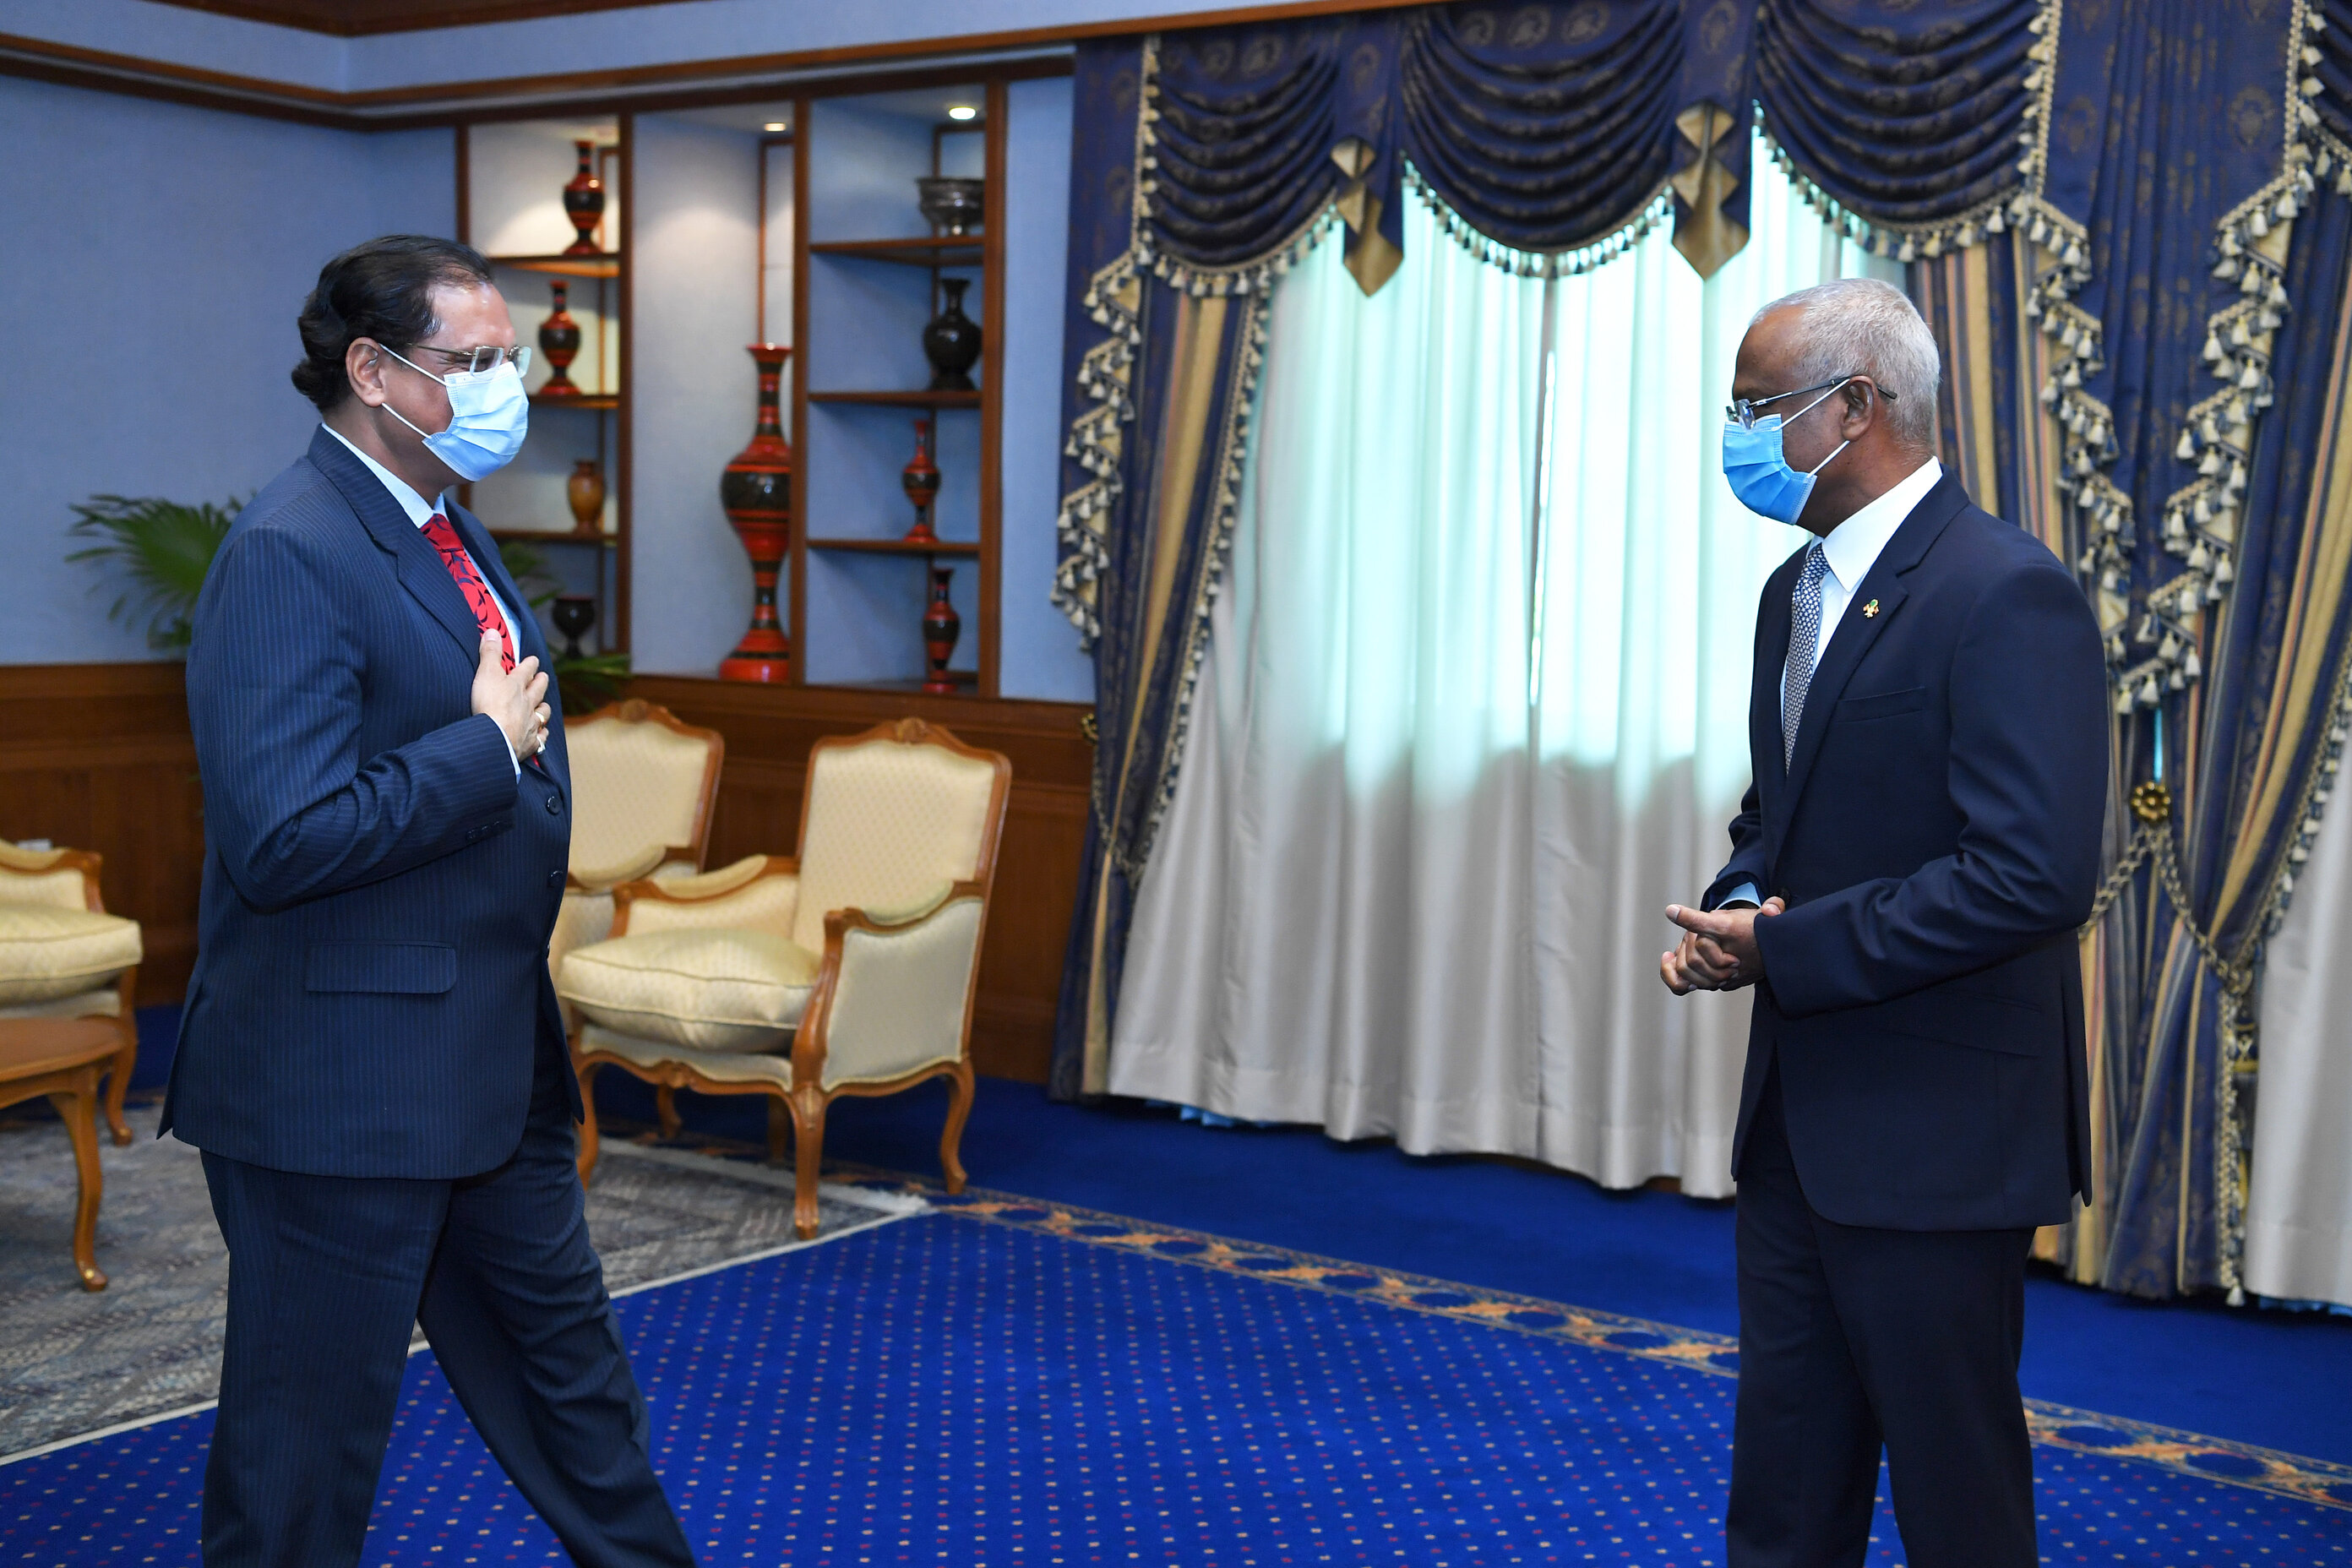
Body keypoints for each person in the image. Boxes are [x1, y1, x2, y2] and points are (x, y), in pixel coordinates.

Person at [166, 235, 695, 1567]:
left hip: (487, 1071)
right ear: (371, 372)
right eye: (474, 362)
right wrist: (478, 748)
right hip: (334, 1095)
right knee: (302, 1464)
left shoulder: (447, 522)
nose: (506, 384)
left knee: (581, 1408)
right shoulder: (289, 550)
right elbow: (282, 840)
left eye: (508, 357)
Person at [1658, 278, 2106, 1568]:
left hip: (1937, 1144)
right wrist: (1740, 906)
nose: (1737, 436)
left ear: (1856, 409)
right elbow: (1782, 815)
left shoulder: (2006, 592)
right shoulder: (1792, 595)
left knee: (1957, 1506)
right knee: (1786, 1491)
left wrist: (1788, 946)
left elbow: (2030, 876)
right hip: (1798, 1127)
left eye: (1756, 409)